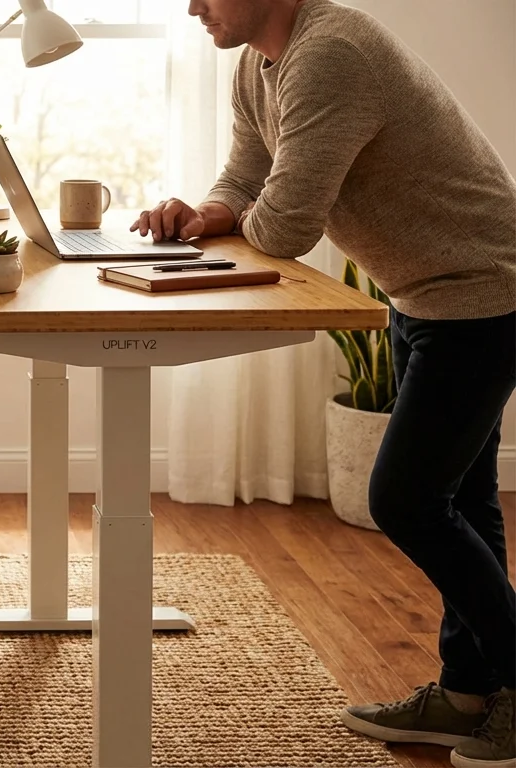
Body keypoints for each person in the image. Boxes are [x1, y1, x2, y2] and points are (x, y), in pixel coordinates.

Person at [132, 0, 516, 765]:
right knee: (463, 500)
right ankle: (468, 694)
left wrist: (237, 218)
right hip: (420, 293)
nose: (191, 6)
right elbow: (246, 176)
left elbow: (284, 228)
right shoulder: (259, 63)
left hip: (480, 293)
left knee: (404, 500)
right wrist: (204, 213)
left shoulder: (332, 55)